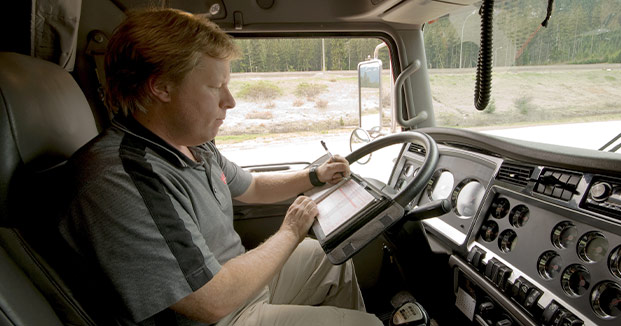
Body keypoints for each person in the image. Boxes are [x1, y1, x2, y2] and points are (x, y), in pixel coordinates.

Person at [59, 8, 383, 326]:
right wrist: (290, 230)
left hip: (238, 286)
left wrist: (313, 176)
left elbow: (252, 186)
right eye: (215, 87)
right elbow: (211, 300)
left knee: (327, 258)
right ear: (161, 87)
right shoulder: (124, 178)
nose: (230, 101)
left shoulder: (193, 144)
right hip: (221, 315)